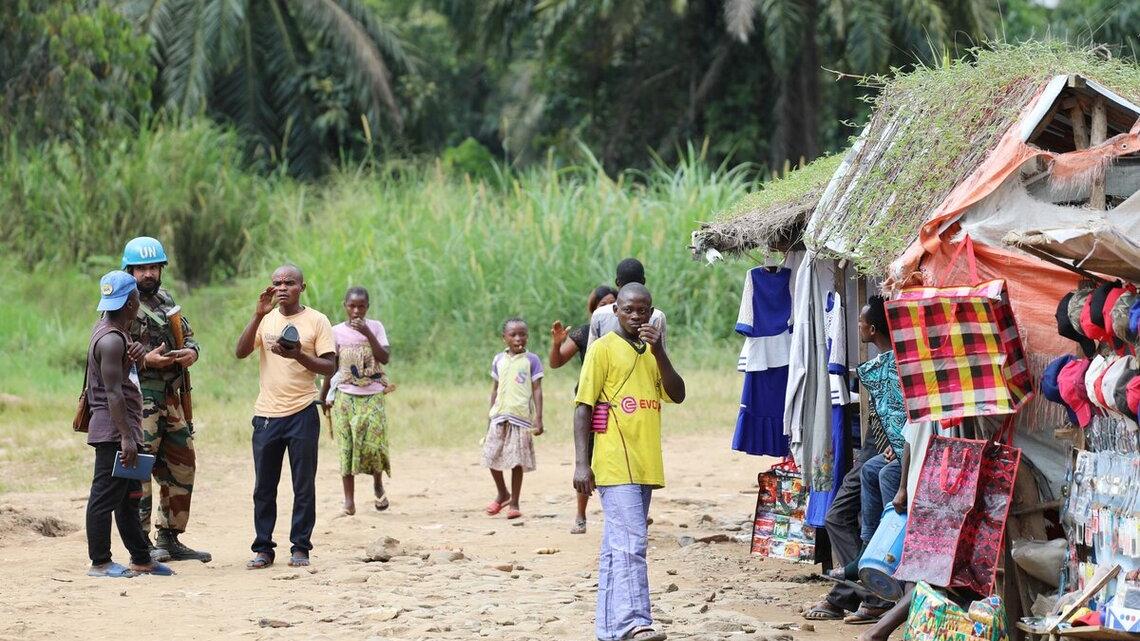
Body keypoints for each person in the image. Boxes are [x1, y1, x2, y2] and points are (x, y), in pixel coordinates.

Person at [573, 283, 686, 641]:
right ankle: (636, 622)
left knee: (616, 548)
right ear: (616, 311)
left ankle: (609, 629)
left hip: (646, 463)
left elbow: (677, 394)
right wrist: (581, 464)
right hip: (613, 463)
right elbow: (583, 407)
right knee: (632, 544)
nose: (636, 316)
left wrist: (660, 350)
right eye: (629, 310)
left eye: (643, 310)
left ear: (652, 312)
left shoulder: (653, 351)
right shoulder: (602, 348)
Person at [235, 265, 335, 569]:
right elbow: (240, 352)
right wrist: (257, 315)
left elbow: (330, 367)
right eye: (277, 283)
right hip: (266, 416)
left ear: (301, 287)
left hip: (302, 412)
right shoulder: (266, 319)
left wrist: (298, 355)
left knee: (303, 485)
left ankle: (300, 547)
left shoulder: (317, 320)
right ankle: (263, 548)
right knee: (264, 487)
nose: (282, 288)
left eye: (289, 283)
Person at [120, 236, 211, 563]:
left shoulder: (165, 299)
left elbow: (188, 336)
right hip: (138, 398)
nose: (148, 273)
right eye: (141, 268)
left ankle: (169, 538)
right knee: (139, 470)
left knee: (182, 465)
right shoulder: (120, 303)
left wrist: (191, 353)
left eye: (153, 267)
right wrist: (145, 361)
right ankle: (141, 544)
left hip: (171, 397)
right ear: (130, 271)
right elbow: (108, 349)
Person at [84, 270, 175, 578]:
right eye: (136, 297)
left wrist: (136, 354)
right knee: (104, 497)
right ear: (132, 303)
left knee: (129, 498)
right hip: (114, 431)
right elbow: (112, 392)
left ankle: (141, 558)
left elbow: (122, 376)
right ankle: (100, 562)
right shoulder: (111, 340)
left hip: (125, 428)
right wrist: (125, 438)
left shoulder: (115, 334)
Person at [319, 286, 393, 516]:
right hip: (345, 396)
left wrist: (367, 333)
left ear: (367, 307)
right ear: (345, 306)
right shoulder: (336, 332)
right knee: (346, 446)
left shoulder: (376, 327)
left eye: (361, 306)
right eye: (352, 306)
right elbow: (331, 367)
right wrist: (324, 396)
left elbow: (384, 358)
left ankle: (377, 484)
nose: (356, 311)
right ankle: (349, 501)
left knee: (374, 444)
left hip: (373, 395)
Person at [549, 284, 617, 534]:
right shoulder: (585, 332)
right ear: (593, 310)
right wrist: (556, 344)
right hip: (590, 401)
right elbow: (556, 362)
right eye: (602, 305)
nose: (608, 308)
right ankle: (580, 515)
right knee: (585, 457)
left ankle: (623, 512)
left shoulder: (626, 332)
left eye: (612, 303)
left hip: (618, 401)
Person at [483, 318, 544, 520]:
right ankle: (503, 493)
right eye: (513, 335)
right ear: (504, 338)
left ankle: (515, 502)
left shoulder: (531, 360)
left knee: (517, 461)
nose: (518, 338)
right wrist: (490, 415)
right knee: (491, 455)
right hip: (499, 415)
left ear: (527, 337)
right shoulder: (498, 360)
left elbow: (537, 389)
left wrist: (539, 418)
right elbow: (495, 389)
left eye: (522, 334)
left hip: (520, 418)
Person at [587, 259, 666, 348]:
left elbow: (591, 351)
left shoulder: (599, 314)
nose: (635, 316)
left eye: (641, 311)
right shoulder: (657, 316)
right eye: (628, 310)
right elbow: (660, 353)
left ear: (617, 282)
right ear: (643, 281)